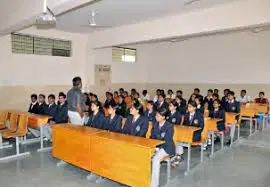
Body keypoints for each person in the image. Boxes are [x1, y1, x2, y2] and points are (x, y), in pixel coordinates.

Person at [172, 101, 204, 167]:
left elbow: (201, 127)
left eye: (190, 107)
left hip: (195, 135)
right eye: (188, 107)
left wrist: (192, 132)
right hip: (186, 134)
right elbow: (184, 125)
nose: (188, 108)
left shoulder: (199, 115)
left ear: (194, 108)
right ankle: (178, 155)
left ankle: (178, 156)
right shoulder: (186, 115)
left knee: (180, 139)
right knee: (177, 138)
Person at [150, 108, 175, 187]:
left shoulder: (169, 126)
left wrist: (158, 148)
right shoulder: (155, 124)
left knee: (155, 159)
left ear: (163, 117)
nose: (156, 117)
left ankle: (154, 185)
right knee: (144, 154)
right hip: (157, 146)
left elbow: (167, 141)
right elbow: (152, 137)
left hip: (166, 148)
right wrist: (154, 147)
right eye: (156, 115)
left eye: (158, 116)